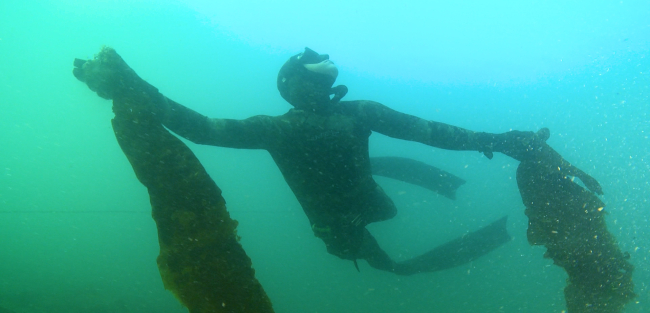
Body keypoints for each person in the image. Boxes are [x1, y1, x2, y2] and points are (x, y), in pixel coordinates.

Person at [73, 47, 595, 275]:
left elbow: (202, 128)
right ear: (296, 84)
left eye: (325, 76)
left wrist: (496, 138)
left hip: (340, 221)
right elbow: (433, 134)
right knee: (386, 263)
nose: (324, 83)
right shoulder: (318, 121)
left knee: (383, 261)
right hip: (342, 223)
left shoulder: (292, 125)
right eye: (315, 76)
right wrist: (132, 86)